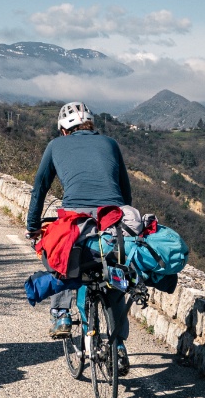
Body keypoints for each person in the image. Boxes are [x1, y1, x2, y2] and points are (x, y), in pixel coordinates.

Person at [25, 101, 133, 372]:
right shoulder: (110, 143)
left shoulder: (55, 145)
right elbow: (125, 191)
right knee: (113, 275)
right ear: (91, 126)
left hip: (75, 221)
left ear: (63, 130)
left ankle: (61, 315)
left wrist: (32, 225)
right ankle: (118, 345)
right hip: (115, 218)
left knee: (61, 259)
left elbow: (39, 189)